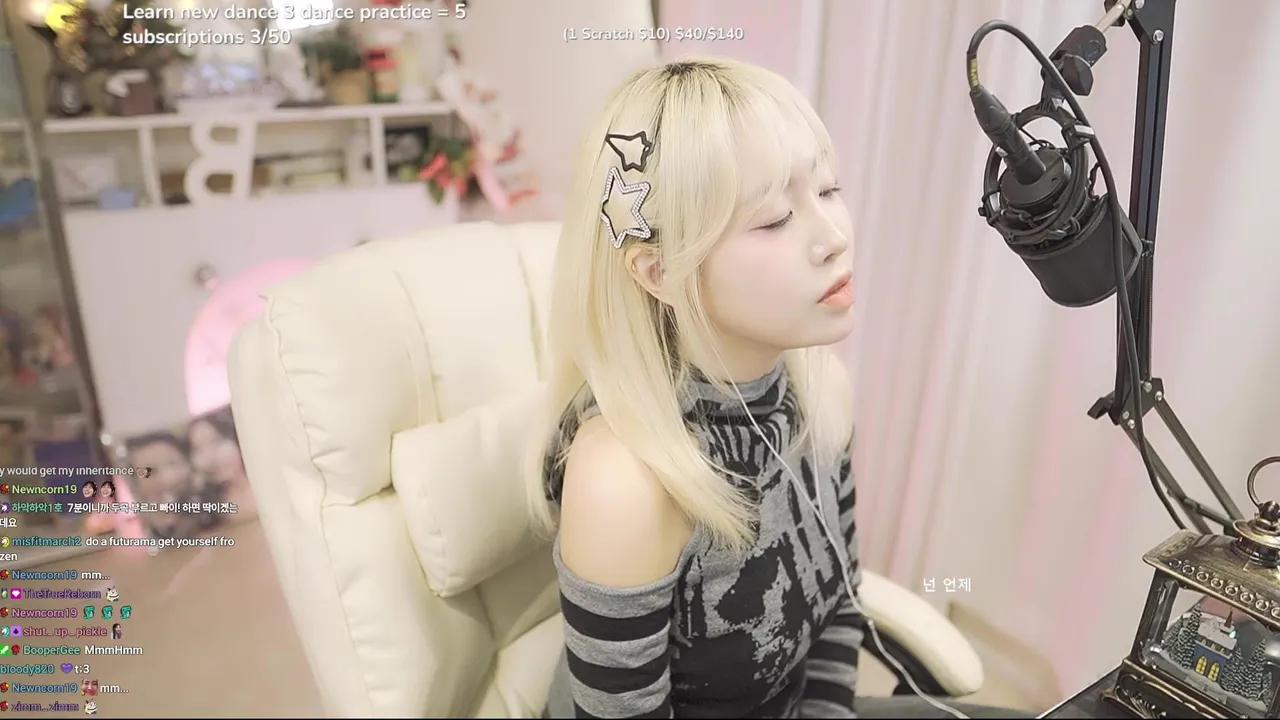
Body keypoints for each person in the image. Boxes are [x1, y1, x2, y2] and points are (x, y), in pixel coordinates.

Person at [525, 58, 1024, 719]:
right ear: (659, 271)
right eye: (774, 218)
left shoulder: (819, 390)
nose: (835, 238)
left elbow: (837, 605)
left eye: (828, 188)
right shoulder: (626, 482)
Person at [187, 408, 255, 521]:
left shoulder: (270, 480)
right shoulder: (209, 507)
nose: (209, 457)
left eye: (216, 442)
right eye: (198, 449)